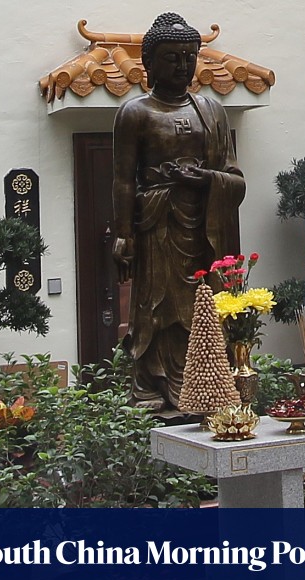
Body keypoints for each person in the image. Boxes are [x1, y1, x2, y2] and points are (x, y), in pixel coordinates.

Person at [112, 12, 247, 412]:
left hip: (204, 224)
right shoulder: (135, 113)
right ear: (149, 63)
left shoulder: (212, 110)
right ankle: (153, 380)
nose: (182, 65)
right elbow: (122, 179)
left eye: (189, 56)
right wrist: (123, 233)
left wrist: (205, 179)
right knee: (157, 304)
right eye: (172, 57)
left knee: (203, 301)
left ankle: (204, 378)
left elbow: (233, 176)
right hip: (157, 223)